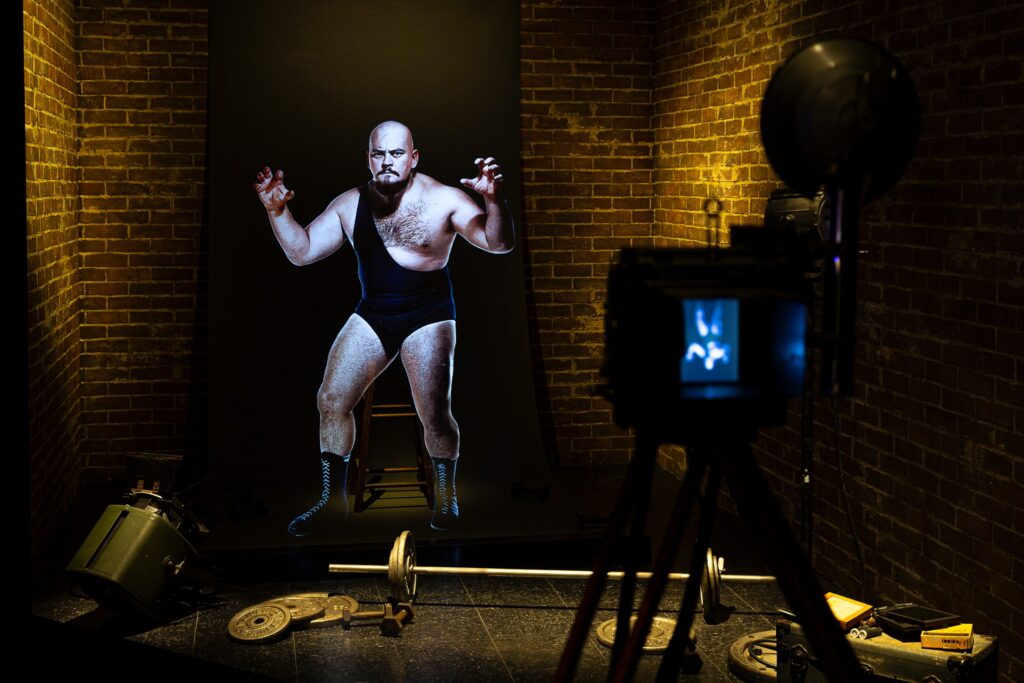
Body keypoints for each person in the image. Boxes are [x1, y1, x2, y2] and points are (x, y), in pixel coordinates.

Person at [254, 121, 513, 535]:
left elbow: (498, 244)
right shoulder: (349, 203)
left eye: (396, 154)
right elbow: (302, 253)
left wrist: (495, 202)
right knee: (330, 399)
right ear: (368, 158)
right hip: (374, 312)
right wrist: (277, 211)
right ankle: (329, 502)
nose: (387, 162)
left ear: (413, 157)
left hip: (428, 313)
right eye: (379, 154)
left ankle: (447, 497)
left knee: (434, 414)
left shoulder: (444, 198)